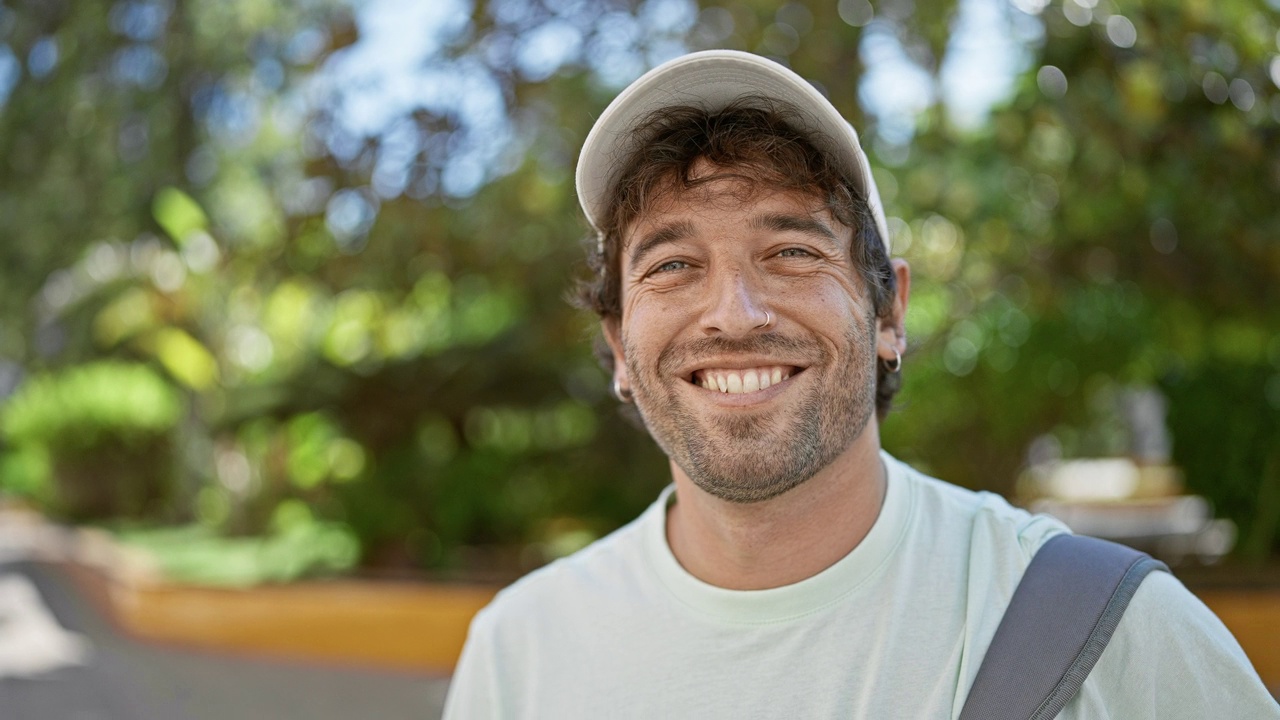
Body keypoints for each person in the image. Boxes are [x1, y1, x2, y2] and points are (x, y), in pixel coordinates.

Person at [442, 49, 1278, 718]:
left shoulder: (1107, 629)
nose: (733, 314)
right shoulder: (520, 654)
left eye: (793, 252)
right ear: (620, 345)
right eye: (672, 264)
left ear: (888, 313)